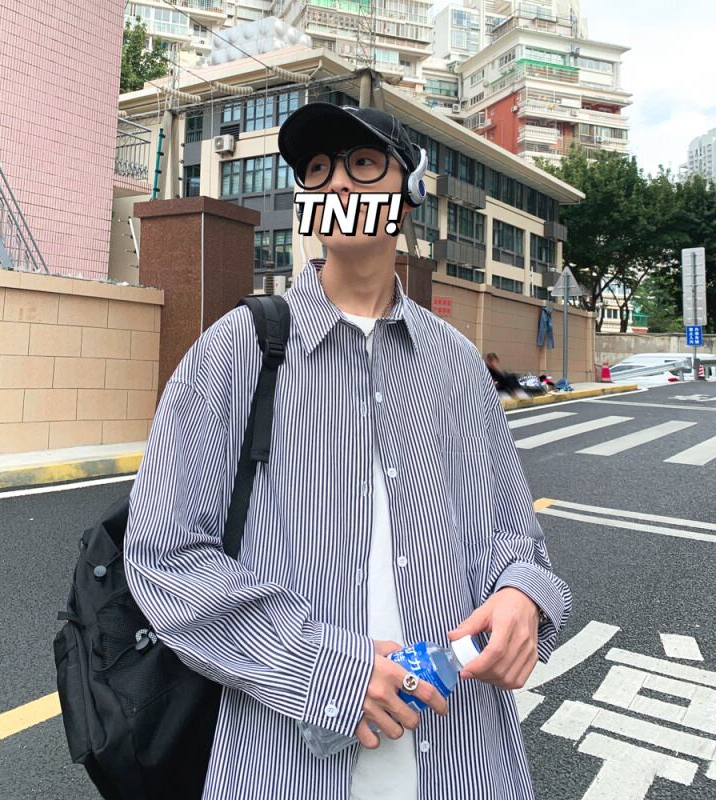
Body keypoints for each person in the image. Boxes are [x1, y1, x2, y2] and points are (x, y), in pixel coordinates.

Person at [123, 102, 572, 800]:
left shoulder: (455, 362)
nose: (337, 184)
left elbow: (511, 532)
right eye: (317, 169)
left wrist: (523, 595)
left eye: (363, 164)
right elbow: (165, 554)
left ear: (409, 192)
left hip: (463, 753)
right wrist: (330, 671)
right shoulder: (235, 351)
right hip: (285, 757)